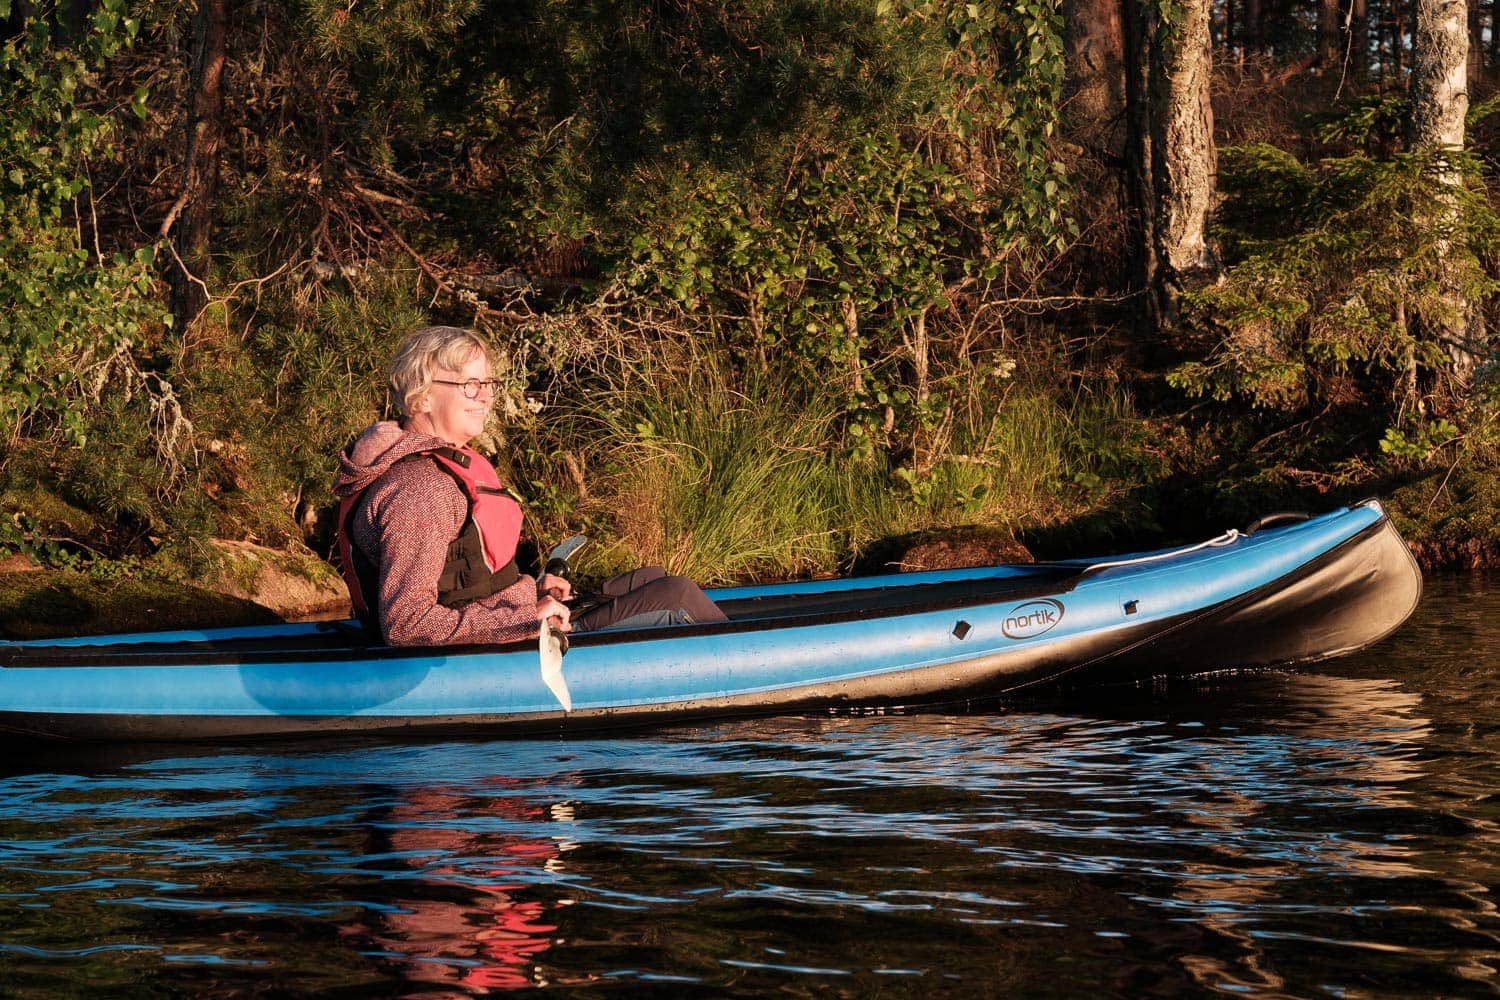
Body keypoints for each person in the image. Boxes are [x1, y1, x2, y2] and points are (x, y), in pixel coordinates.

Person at [332, 325, 726, 646]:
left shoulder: (437, 469)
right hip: (499, 646)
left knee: (650, 578)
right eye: (470, 384)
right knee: (675, 594)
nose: (485, 396)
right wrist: (525, 617)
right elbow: (409, 625)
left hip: (503, 619)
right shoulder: (421, 490)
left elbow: (464, 578)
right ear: (422, 398)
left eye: (488, 383)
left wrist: (535, 588)